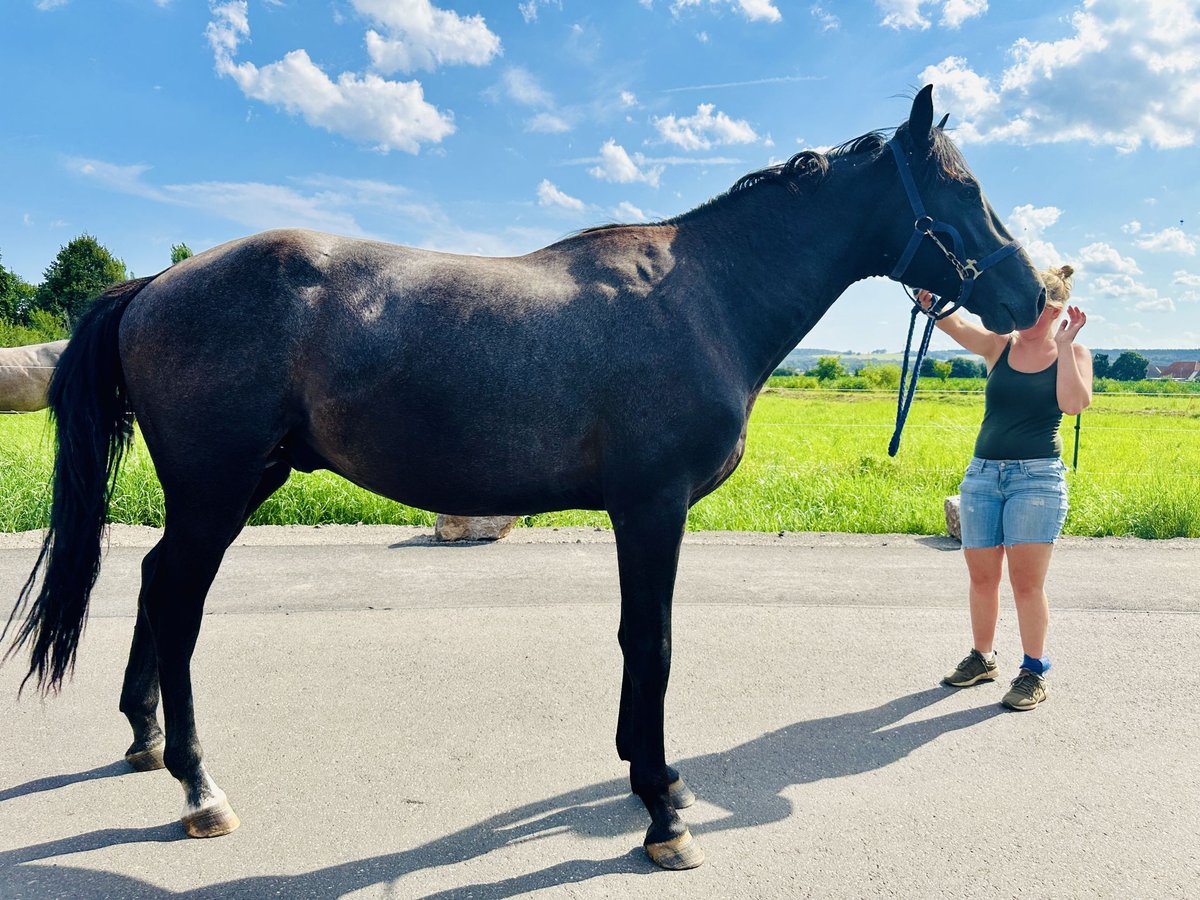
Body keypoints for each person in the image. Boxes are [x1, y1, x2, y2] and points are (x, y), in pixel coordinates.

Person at [918, 265, 1091, 710]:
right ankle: (983, 658)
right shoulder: (1000, 345)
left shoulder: (1075, 353)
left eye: (1031, 307)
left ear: (1055, 311)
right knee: (982, 576)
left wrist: (1067, 346)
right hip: (982, 476)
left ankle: (1033, 671)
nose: (1019, 314)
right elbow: (956, 325)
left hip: (1037, 479)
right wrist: (932, 302)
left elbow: (1073, 405)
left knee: (1026, 582)